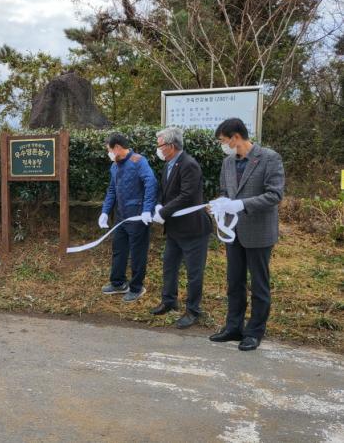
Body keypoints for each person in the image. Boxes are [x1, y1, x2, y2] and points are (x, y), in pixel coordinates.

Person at [209, 118, 284, 351]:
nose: (223, 145)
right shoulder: (228, 162)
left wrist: (242, 204)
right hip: (234, 232)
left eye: (223, 140)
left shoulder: (269, 158)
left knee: (259, 285)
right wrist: (220, 203)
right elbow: (225, 191)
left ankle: (254, 332)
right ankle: (233, 327)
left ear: (236, 137)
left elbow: (274, 195)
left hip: (259, 232)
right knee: (234, 281)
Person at [150, 127, 212, 328]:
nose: (158, 149)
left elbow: (187, 195)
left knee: (194, 272)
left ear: (171, 146)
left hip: (193, 229)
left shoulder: (189, 164)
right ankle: (169, 301)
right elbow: (163, 191)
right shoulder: (168, 164)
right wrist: (159, 205)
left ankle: (193, 311)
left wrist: (163, 212)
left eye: (160, 145)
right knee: (169, 265)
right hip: (174, 229)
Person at [99, 133, 157, 302]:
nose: (108, 153)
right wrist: (105, 211)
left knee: (138, 253)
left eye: (109, 150)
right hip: (121, 216)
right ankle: (118, 283)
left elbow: (151, 183)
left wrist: (147, 209)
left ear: (117, 148)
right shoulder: (115, 166)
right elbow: (112, 190)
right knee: (119, 249)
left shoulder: (138, 161)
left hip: (138, 216)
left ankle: (137, 287)